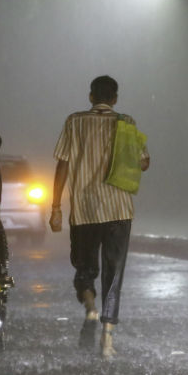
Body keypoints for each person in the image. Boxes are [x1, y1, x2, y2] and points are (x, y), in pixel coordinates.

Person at [49, 75, 150, 358]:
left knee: (84, 268)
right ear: (115, 99)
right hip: (118, 210)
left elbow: (62, 165)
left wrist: (56, 208)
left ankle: (91, 309)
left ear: (91, 97)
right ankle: (107, 339)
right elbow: (144, 163)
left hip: (84, 211)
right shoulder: (126, 123)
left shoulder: (75, 122)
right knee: (113, 274)